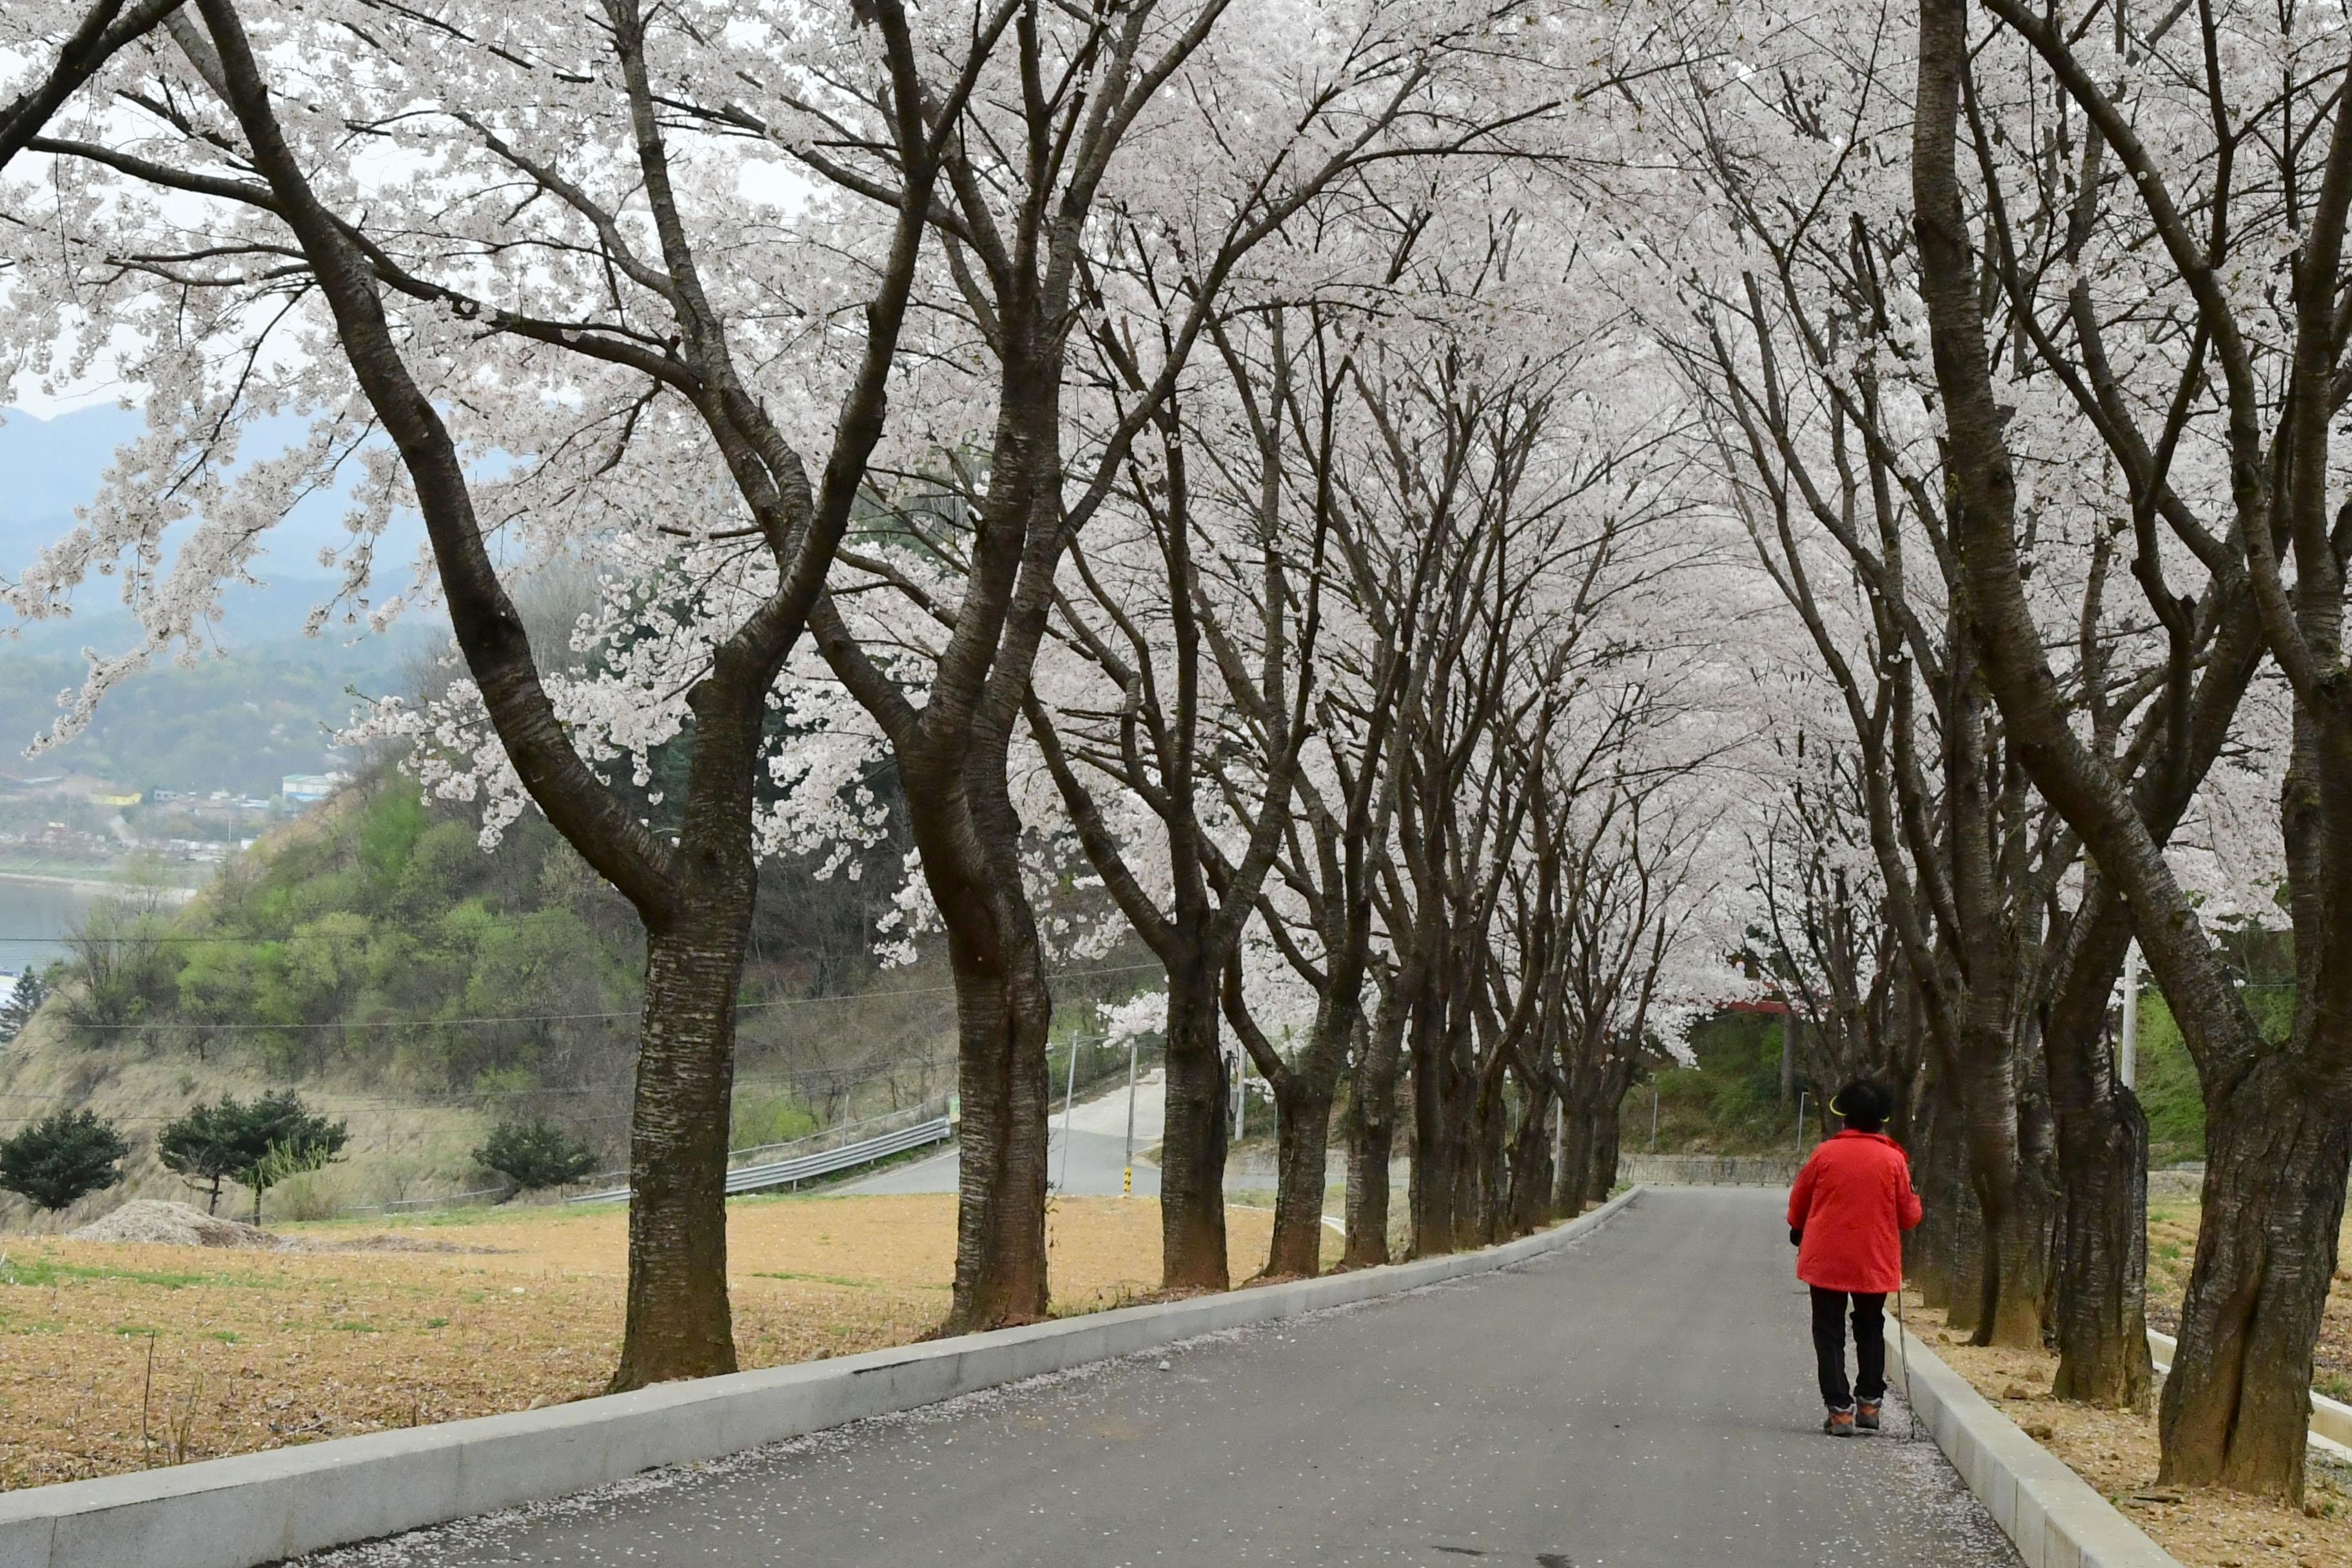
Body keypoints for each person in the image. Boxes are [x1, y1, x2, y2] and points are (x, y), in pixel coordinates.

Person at [1786, 1078, 1923, 1436]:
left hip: (1827, 1258)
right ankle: (1869, 1403)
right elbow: (1909, 1217)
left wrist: (1798, 1227)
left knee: (1829, 1331)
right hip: (1873, 1259)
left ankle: (1840, 1410)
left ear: (1844, 1117)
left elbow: (1799, 1202)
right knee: (1870, 1325)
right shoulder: (1894, 1160)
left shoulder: (1824, 1154)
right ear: (1883, 1120)